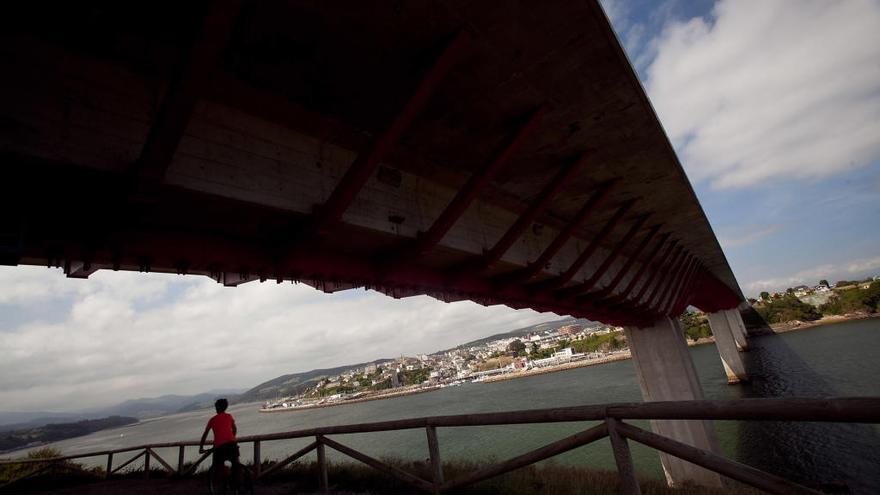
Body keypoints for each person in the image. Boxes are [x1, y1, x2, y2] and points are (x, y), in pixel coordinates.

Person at [199, 398, 240, 482]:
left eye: (216, 407)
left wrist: (201, 447)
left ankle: (226, 476)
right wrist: (232, 438)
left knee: (217, 465)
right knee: (236, 464)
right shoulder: (229, 416)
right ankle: (239, 484)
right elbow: (234, 429)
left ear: (218, 407)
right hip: (232, 444)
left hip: (219, 447)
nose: (215, 408)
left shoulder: (212, 420)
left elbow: (204, 435)